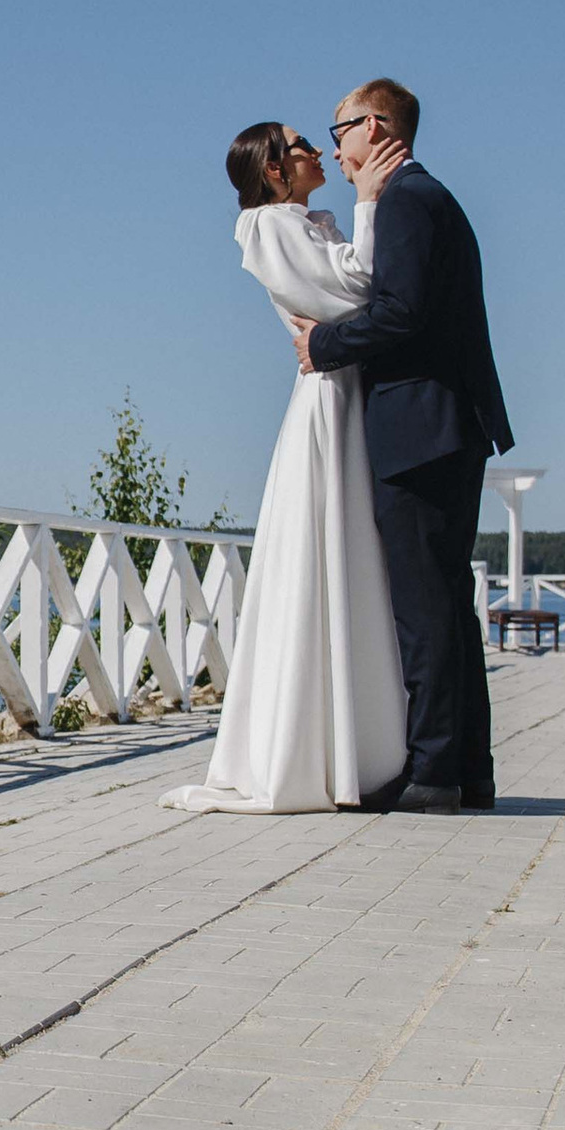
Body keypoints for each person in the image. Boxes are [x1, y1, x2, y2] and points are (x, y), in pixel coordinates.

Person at [159, 121, 407, 814]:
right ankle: (321, 751)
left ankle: (358, 747)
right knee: (326, 559)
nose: (318, 153)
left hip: (345, 387)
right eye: (302, 146)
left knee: (348, 564)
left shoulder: (303, 224)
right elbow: (359, 290)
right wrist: (370, 201)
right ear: (274, 170)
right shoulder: (269, 227)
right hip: (329, 396)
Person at [286, 78, 512, 812]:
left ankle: (435, 772)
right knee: (447, 604)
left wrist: (323, 345)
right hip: (445, 424)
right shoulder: (422, 196)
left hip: (421, 426)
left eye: (340, 130)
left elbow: (400, 311)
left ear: (376, 127)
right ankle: (467, 769)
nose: (335, 148)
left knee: (424, 608)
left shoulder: (407, 200)